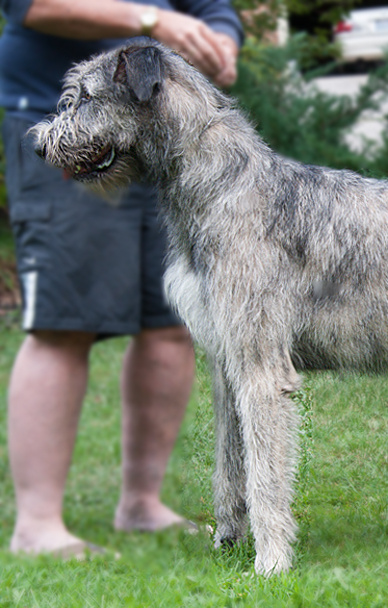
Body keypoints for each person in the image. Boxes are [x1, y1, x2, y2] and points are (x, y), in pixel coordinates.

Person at [0, 0, 243, 557]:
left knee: (170, 321)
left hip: (159, 133)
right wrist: (151, 22)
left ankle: (142, 503)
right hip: (65, 121)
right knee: (65, 321)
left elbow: (210, 7)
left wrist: (221, 41)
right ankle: (36, 525)